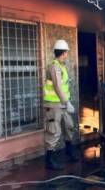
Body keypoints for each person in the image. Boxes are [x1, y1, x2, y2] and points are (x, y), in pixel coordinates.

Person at [43, 40, 78, 170]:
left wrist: (66, 103)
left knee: (69, 127)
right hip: (54, 104)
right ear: (63, 53)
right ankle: (49, 160)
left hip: (62, 104)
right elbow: (57, 86)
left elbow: (63, 87)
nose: (67, 54)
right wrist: (67, 102)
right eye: (67, 52)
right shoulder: (54, 67)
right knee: (53, 131)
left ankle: (69, 151)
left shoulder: (62, 66)